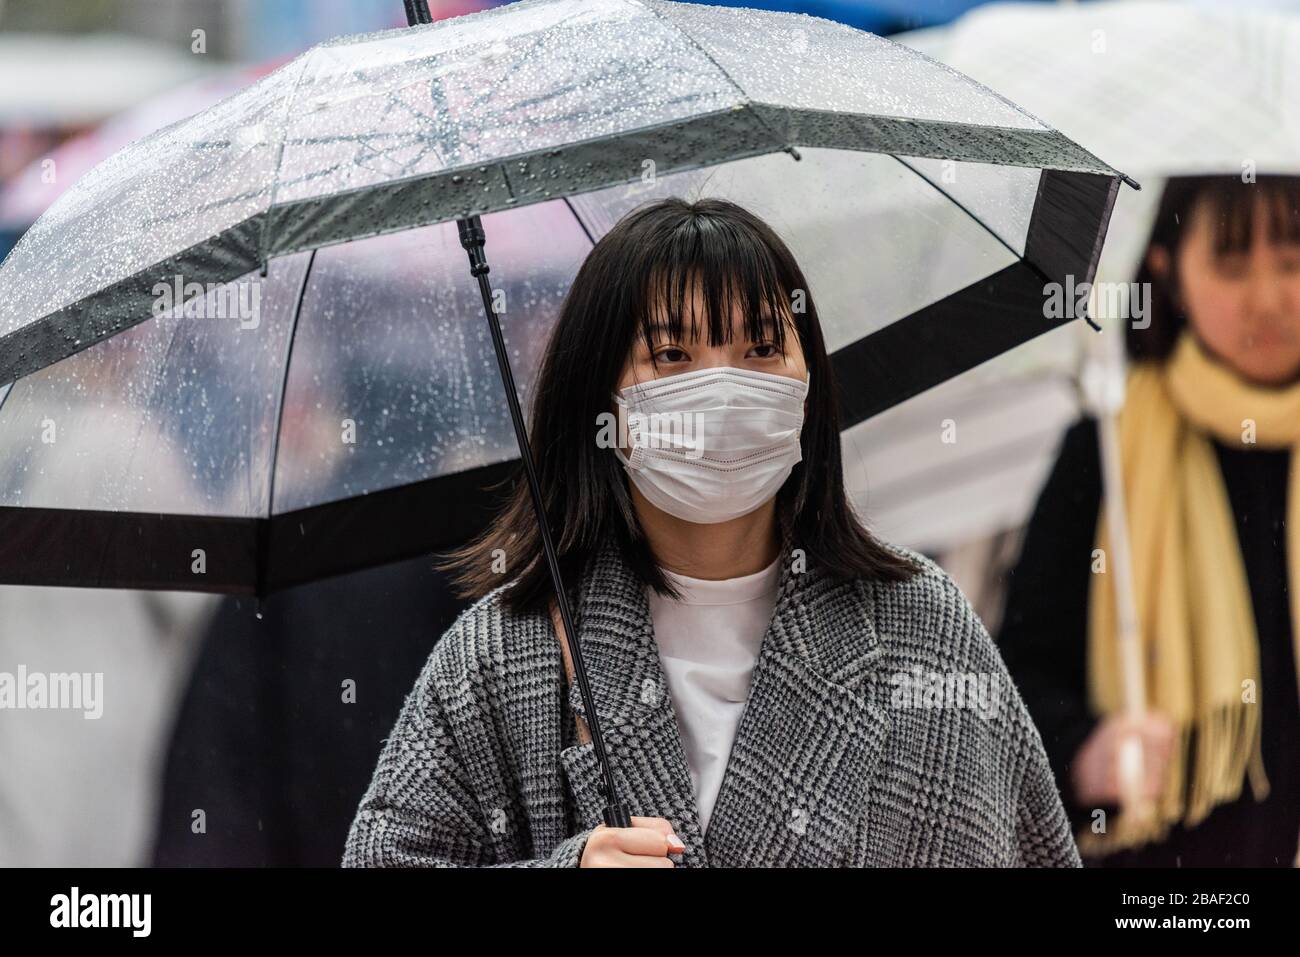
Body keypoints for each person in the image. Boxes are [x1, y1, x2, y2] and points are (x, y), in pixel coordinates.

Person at [342, 197, 1079, 867]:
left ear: (808, 377)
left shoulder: (920, 625)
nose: (724, 387)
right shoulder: (506, 653)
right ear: (601, 394)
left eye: (761, 348)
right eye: (673, 355)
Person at [998, 175, 1300, 866]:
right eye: (1232, 263)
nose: (1269, 296)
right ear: (1167, 269)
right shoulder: (1105, 453)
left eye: (1291, 259)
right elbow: (1016, 679)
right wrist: (1086, 752)